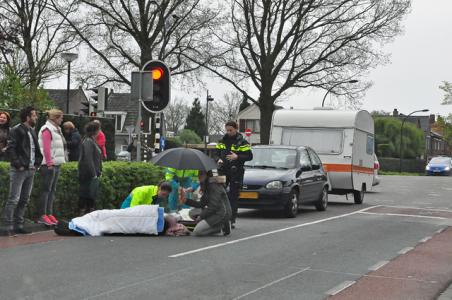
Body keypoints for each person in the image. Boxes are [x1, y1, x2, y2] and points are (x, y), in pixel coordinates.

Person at [2, 107, 43, 236]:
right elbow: (11, 148)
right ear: (27, 117)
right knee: (14, 198)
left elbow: (36, 150)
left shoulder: (32, 130)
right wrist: (18, 165)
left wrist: (37, 163)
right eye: (34, 115)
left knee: (25, 199)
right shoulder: (16, 130)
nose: (36, 118)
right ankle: (8, 226)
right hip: (19, 170)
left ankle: (19, 224)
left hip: (30, 170)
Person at [216, 121, 252, 228]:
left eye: (231, 130)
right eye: (227, 130)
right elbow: (216, 154)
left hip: (236, 172)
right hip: (222, 170)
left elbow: (249, 156)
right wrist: (218, 159)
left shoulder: (242, 142)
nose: (228, 132)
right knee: (218, 193)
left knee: (233, 195)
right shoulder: (222, 141)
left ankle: (231, 220)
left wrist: (237, 157)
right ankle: (219, 217)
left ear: (236, 129)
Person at [37, 109, 68, 226]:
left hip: (56, 163)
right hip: (49, 165)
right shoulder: (47, 129)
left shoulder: (57, 129)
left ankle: (49, 213)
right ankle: (42, 214)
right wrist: (49, 162)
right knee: (46, 190)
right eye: (61, 117)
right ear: (55, 118)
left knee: (52, 190)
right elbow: (46, 148)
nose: (62, 119)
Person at [180, 170, 232, 236]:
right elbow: (202, 204)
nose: (199, 176)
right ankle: (217, 225)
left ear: (207, 175)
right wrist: (186, 201)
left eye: (201, 174)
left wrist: (201, 216)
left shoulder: (214, 186)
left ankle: (220, 227)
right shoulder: (205, 184)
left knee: (197, 232)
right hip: (214, 211)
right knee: (192, 213)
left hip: (222, 213)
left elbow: (214, 206)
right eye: (198, 174)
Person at [78, 121, 103, 216]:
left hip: (91, 173)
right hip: (88, 174)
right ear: (95, 131)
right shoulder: (88, 141)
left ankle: (87, 213)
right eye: (99, 129)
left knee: (90, 195)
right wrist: (94, 174)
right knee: (86, 194)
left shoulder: (91, 140)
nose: (100, 131)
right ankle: (84, 214)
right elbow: (88, 158)